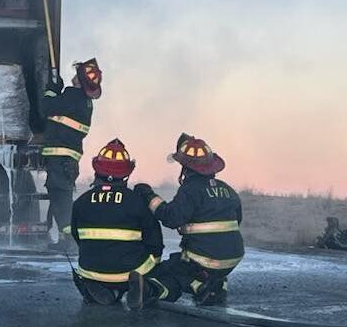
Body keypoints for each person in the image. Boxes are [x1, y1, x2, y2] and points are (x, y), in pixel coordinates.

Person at [128, 134, 244, 309]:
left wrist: (148, 195)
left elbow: (171, 217)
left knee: (169, 271)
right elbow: (237, 220)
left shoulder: (191, 190)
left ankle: (157, 290)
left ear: (186, 168)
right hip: (232, 258)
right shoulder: (228, 190)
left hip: (204, 260)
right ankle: (215, 285)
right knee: (192, 268)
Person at [70, 138, 164, 305]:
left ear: (96, 170)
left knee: (91, 271)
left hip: (91, 269)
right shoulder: (137, 201)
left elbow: (76, 236)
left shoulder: (80, 202)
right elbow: (155, 240)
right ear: (127, 174)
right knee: (162, 267)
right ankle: (146, 288)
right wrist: (154, 263)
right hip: (130, 271)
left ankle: (101, 289)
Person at [42, 58, 102, 252]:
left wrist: (52, 89)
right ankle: (65, 238)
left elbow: (46, 107)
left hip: (59, 156)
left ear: (80, 80)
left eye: (78, 73)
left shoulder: (72, 96)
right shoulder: (84, 101)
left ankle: (69, 240)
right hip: (68, 158)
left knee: (60, 196)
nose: (74, 76)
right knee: (62, 196)